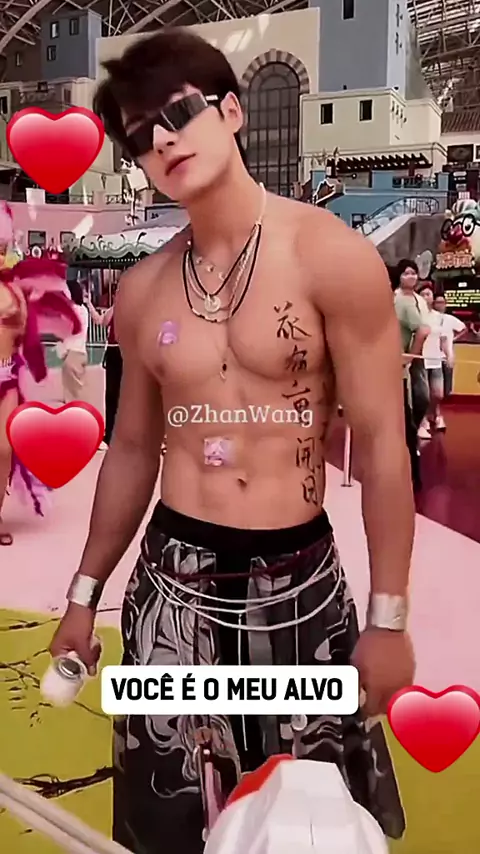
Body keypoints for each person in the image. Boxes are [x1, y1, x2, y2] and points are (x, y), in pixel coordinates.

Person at [50, 29, 414, 854]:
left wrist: (389, 618)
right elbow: (133, 451)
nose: (163, 140)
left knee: (308, 824)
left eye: (179, 113)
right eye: (140, 135)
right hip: (171, 593)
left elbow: (383, 446)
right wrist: (82, 596)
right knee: (168, 824)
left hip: (301, 588)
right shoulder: (143, 290)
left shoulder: (332, 258)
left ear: (233, 112)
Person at [0, 204, 80, 545]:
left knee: (4, 450)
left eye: (1, 247)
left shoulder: (16, 290)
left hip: (6, 380)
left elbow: (27, 335)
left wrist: (35, 362)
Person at [393, 260, 431, 440]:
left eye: (413, 273)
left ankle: (413, 430)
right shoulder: (398, 299)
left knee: (421, 396)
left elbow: (424, 329)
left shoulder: (419, 300)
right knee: (409, 398)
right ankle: (411, 433)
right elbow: (422, 330)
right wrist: (410, 357)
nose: (411, 277)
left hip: (418, 353)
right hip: (401, 355)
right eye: (406, 273)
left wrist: (412, 356)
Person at [85, 295, 121, 448]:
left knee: (122, 396)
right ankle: (110, 434)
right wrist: (89, 304)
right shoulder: (115, 307)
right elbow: (101, 321)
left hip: (124, 352)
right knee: (112, 395)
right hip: (114, 351)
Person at [416, 284, 449, 435]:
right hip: (420, 359)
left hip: (435, 358)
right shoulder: (417, 315)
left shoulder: (439, 317)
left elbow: (444, 338)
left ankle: (434, 413)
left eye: (428, 294)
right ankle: (423, 420)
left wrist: (448, 354)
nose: (425, 297)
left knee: (438, 393)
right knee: (423, 395)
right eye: (422, 294)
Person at [432, 293, 466, 415]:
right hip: (433, 356)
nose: (440, 305)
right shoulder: (429, 317)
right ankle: (435, 410)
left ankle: (441, 409)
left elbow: (464, 329)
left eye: (442, 303)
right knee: (435, 389)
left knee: (446, 388)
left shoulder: (450, 319)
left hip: (447, 355)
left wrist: (454, 339)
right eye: (438, 302)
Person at [58, 280, 89, 403]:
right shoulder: (83, 310)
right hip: (81, 352)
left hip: (72, 354)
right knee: (75, 391)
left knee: (72, 398)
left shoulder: (72, 311)